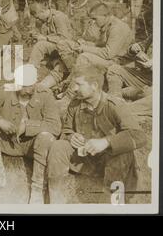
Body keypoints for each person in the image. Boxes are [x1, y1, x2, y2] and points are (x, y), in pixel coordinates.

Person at [46, 65, 146, 203]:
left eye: (79, 84)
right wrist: (71, 137)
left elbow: (139, 136)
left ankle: (108, 205)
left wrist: (106, 142)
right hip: (85, 160)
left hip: (109, 162)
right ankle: (55, 202)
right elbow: (66, 131)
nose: (74, 89)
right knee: (58, 146)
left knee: (123, 153)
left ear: (94, 85)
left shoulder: (114, 105)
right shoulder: (75, 104)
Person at [0, 64, 61, 203]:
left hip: (33, 146)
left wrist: (28, 126)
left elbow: (55, 126)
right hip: (8, 142)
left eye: (32, 85)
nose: (29, 89)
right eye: (24, 86)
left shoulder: (45, 94)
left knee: (46, 137)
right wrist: (0, 122)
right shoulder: (6, 90)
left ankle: (38, 188)